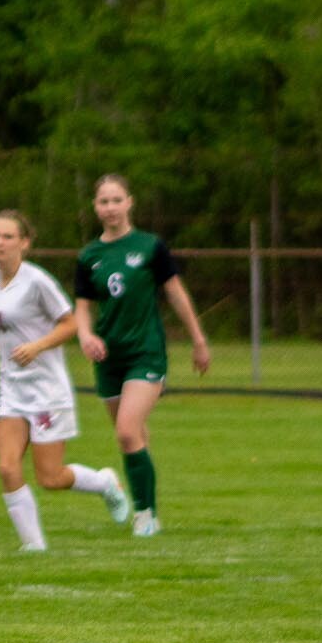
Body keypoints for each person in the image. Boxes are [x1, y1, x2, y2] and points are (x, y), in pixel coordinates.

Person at [0, 209, 129, 550]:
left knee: (50, 476)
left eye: (7, 236)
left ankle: (104, 482)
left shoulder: (37, 281)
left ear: (24, 243)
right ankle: (34, 547)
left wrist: (37, 346)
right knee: (7, 468)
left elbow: (70, 323)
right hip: (12, 390)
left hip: (47, 390)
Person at [73, 175, 212, 538]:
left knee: (126, 432)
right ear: (95, 207)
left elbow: (176, 293)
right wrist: (86, 335)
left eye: (116, 200)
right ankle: (143, 503)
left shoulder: (150, 247)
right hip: (108, 359)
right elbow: (83, 307)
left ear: (129, 202)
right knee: (134, 436)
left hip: (145, 354)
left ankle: (145, 515)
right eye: (104, 201)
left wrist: (198, 340)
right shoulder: (89, 256)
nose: (110, 207)